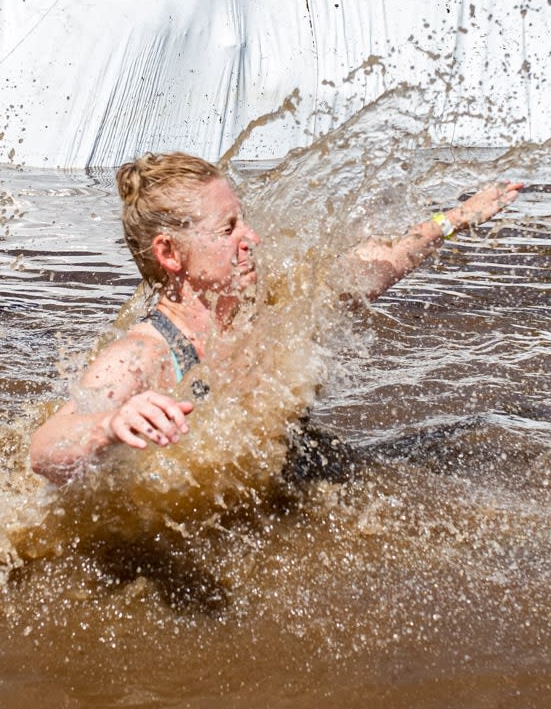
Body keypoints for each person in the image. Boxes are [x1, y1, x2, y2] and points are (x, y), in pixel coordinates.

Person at [27, 152, 523, 484]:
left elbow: (372, 268)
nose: (253, 238)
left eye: (243, 219)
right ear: (171, 253)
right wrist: (111, 424)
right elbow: (47, 449)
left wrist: (454, 220)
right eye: (229, 228)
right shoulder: (145, 353)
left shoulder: (267, 303)